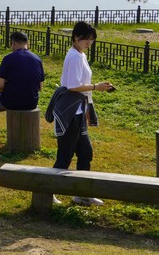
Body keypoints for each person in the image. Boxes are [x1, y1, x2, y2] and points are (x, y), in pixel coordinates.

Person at [47, 21, 114, 206]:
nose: (89, 43)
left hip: (78, 110)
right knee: (65, 155)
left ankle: (82, 194)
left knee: (85, 153)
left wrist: (88, 107)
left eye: (92, 39)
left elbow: (78, 84)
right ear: (76, 37)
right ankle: (47, 192)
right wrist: (96, 87)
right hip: (70, 112)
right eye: (86, 39)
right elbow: (73, 86)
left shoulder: (80, 55)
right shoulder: (75, 57)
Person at [0, 31, 45, 148]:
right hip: (31, 102)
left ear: (14, 43)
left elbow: (0, 86)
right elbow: (40, 87)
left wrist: (5, 92)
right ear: (28, 43)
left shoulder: (8, 58)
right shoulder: (37, 59)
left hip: (11, 100)